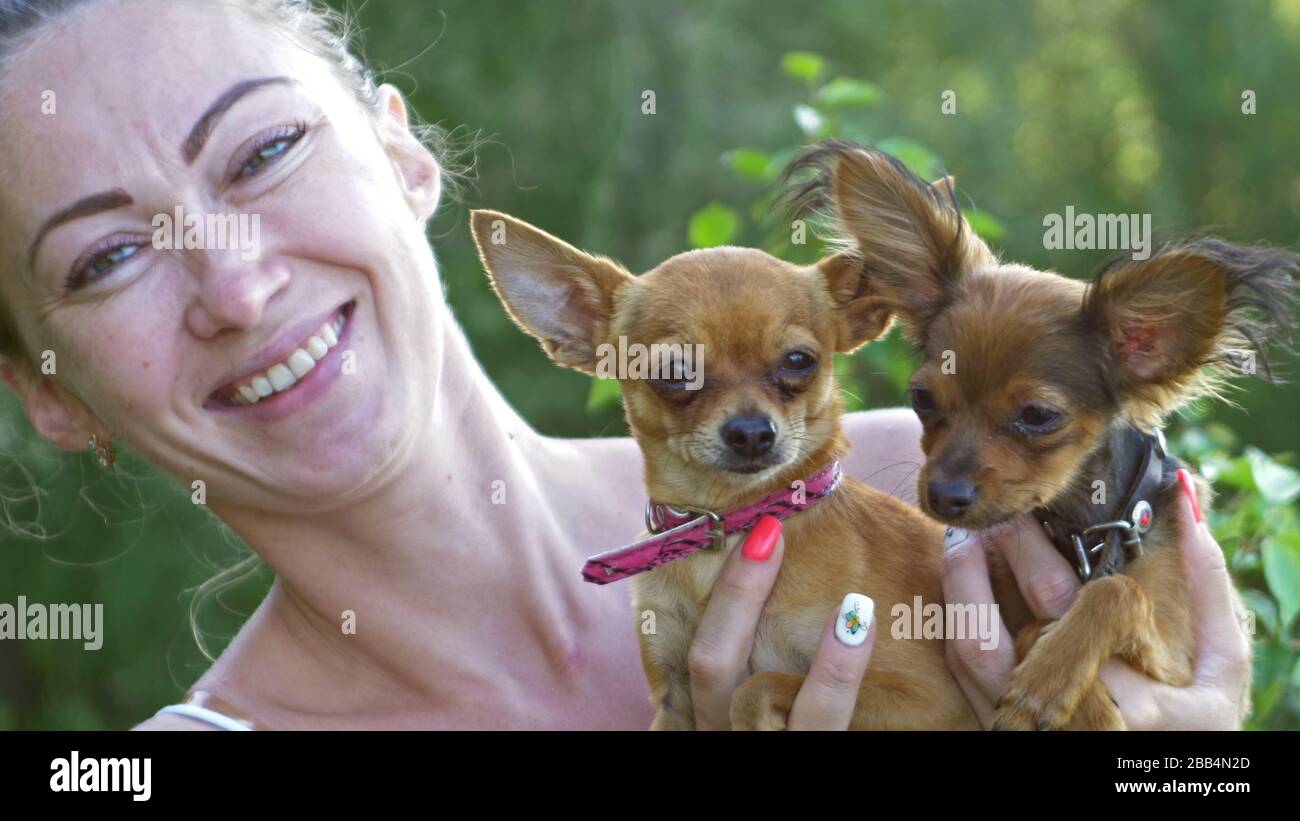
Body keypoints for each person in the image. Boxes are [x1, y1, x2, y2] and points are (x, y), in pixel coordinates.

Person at [0, 0, 1250, 730]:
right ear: (51, 392)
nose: (237, 284)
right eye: (108, 258)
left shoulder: (932, 491)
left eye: (263, 149)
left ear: (403, 158)